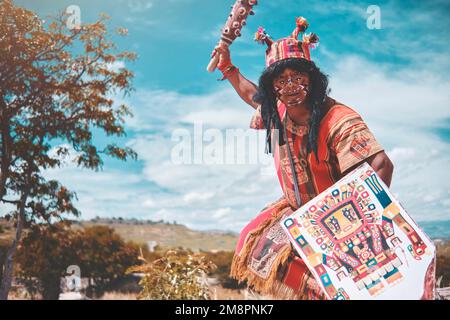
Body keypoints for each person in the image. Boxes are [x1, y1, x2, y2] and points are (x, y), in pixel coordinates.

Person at [211, 17, 394, 299]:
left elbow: (381, 166)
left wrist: (358, 230)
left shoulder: (339, 120)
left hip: (341, 218)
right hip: (297, 210)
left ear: (313, 80)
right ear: (272, 87)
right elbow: (251, 96)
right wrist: (226, 65)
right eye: (281, 80)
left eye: (298, 77)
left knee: (342, 279)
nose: (291, 86)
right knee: (256, 245)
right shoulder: (277, 111)